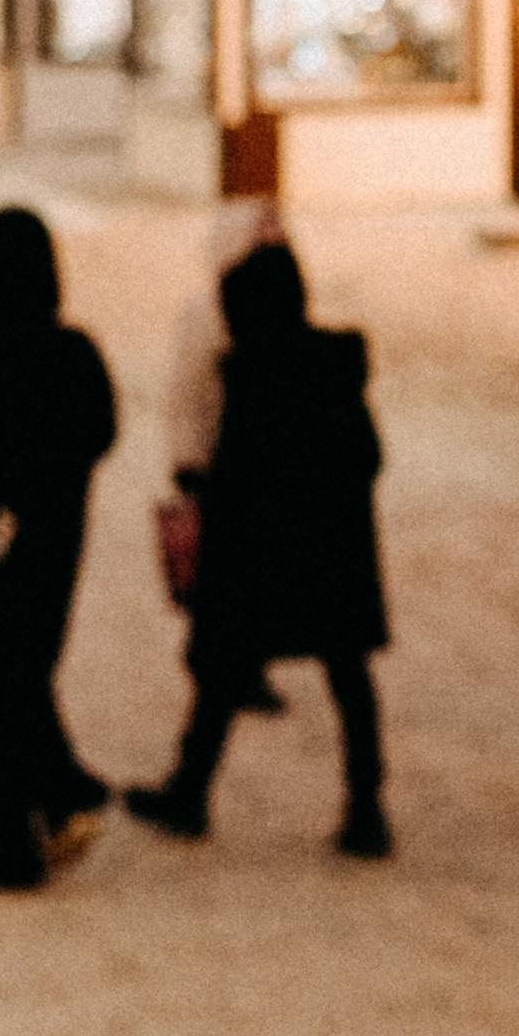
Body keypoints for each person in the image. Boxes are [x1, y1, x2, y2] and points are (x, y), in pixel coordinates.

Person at [126, 240, 391, 856]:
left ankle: (190, 792)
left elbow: (237, 478)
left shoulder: (249, 376)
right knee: (349, 676)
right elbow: (368, 457)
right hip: (334, 550)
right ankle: (367, 807)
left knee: (220, 675)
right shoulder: (337, 365)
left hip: (259, 554)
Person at [0, 207, 117, 888]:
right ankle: (49, 806)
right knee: (16, 681)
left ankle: (10, 845)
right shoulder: (70, 353)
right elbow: (101, 431)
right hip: (55, 544)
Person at [165, 200, 289, 715]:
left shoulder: (277, 300)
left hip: (260, 458)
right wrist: (189, 461)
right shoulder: (204, 312)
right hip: (220, 458)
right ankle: (216, 663)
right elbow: (187, 394)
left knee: (253, 568)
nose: (275, 235)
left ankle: (242, 666)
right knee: (219, 569)